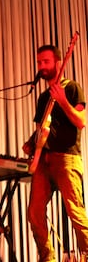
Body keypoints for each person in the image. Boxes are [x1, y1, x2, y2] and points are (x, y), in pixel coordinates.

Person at [23, 45, 88, 262]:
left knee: (75, 212)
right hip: (44, 160)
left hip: (66, 158)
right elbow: (42, 128)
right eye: (39, 62)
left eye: (46, 62)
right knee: (34, 212)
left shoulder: (71, 88)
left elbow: (81, 121)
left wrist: (62, 101)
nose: (41, 66)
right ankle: (47, 257)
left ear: (58, 63)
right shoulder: (43, 97)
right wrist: (30, 143)